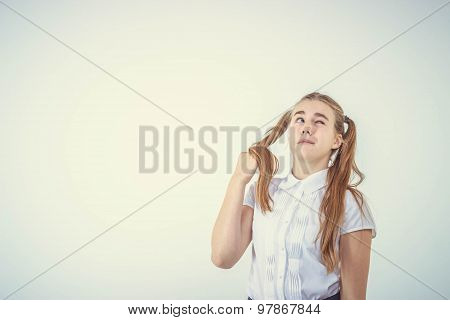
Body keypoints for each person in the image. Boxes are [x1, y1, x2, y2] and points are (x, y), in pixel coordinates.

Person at [211, 92, 377, 300]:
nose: (307, 127)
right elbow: (222, 257)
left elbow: (354, 302)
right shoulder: (262, 191)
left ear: (337, 141)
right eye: (300, 119)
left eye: (319, 121)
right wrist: (238, 180)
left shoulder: (350, 204)